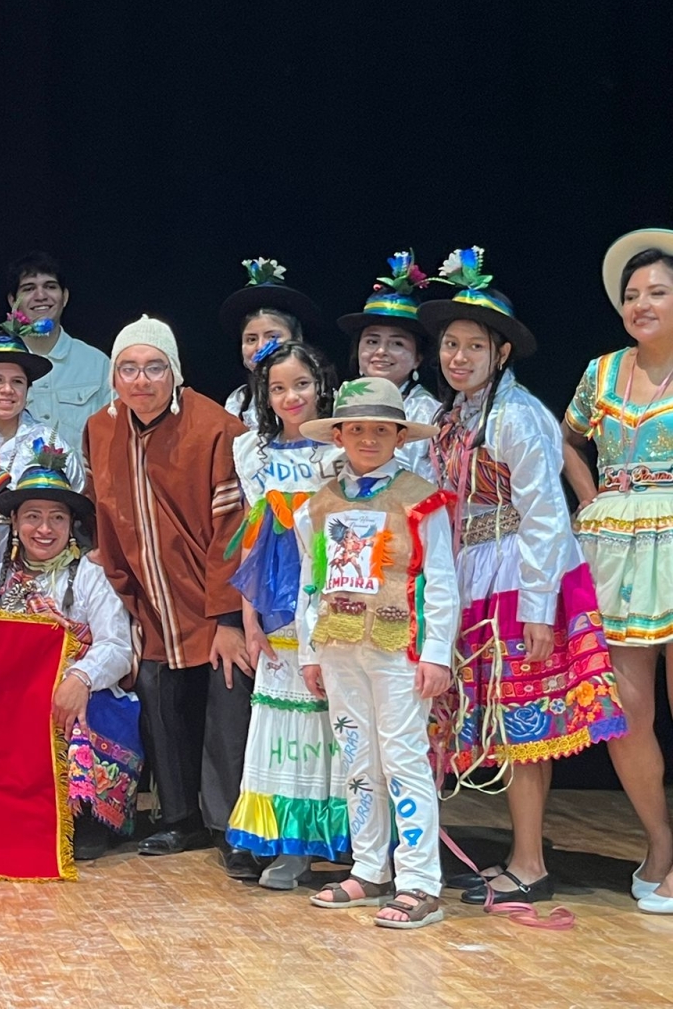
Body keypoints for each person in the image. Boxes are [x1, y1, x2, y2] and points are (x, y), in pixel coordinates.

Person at [420, 247, 626, 908]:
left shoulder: (516, 417)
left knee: (524, 723)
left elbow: (543, 515)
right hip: (475, 575)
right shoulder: (452, 420)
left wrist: (540, 610)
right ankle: (515, 854)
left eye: (474, 346)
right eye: (451, 344)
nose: (458, 357)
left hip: (518, 574)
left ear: (500, 354)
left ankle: (530, 861)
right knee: (499, 724)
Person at [84, 315, 258, 878]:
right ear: (114, 378)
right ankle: (178, 817)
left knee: (224, 703)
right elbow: (105, 520)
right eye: (128, 369)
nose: (141, 381)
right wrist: (122, 602)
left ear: (175, 373)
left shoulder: (216, 429)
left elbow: (232, 530)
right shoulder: (100, 429)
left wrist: (228, 617)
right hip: (148, 601)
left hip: (209, 599)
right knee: (160, 700)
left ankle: (232, 825)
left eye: (153, 368)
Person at [295, 378, 459, 929]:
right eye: (357, 428)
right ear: (338, 434)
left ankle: (419, 881)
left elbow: (441, 580)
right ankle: (370, 867)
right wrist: (308, 650)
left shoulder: (420, 497)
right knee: (357, 760)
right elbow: (310, 581)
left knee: (403, 757)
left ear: (398, 436)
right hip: (340, 645)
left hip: (397, 648)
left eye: (381, 429)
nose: (369, 439)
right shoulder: (320, 504)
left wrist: (437, 652)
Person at [563, 229, 673, 912]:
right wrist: (588, 492)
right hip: (618, 548)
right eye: (632, 295)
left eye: (657, 292)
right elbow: (569, 438)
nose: (642, 304)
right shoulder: (602, 372)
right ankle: (659, 840)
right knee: (628, 709)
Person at [0, 446, 141, 862]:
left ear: (71, 525)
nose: (44, 528)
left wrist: (79, 678)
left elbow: (116, 646)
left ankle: (87, 818)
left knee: (83, 708)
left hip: (76, 692)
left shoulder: (89, 576)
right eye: (33, 516)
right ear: (15, 522)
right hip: (13, 692)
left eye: (57, 518)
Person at [221, 340, 349, 890]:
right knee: (284, 727)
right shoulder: (253, 451)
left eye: (300, 384)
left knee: (336, 721)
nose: (290, 396)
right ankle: (291, 849)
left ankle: (352, 846)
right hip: (274, 600)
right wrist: (247, 618)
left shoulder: (338, 452)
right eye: (277, 388)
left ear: (320, 385)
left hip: (329, 593)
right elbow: (253, 538)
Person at [0, 313, 83, 601]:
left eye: (17, 382)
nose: (7, 390)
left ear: (27, 389)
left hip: (25, 559)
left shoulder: (49, 441)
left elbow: (75, 491)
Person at [0, 251, 112, 443]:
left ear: (64, 297)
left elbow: (113, 440)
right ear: (12, 301)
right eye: (28, 288)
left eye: (50, 286)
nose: (40, 296)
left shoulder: (98, 365)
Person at [336, 250, 438, 475]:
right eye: (372, 341)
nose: (381, 351)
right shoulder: (338, 400)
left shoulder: (431, 416)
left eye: (397, 344)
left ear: (418, 358)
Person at [220, 257, 322, 427]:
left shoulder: (324, 395)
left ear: (297, 340)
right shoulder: (237, 402)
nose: (261, 346)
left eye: (272, 337)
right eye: (251, 339)